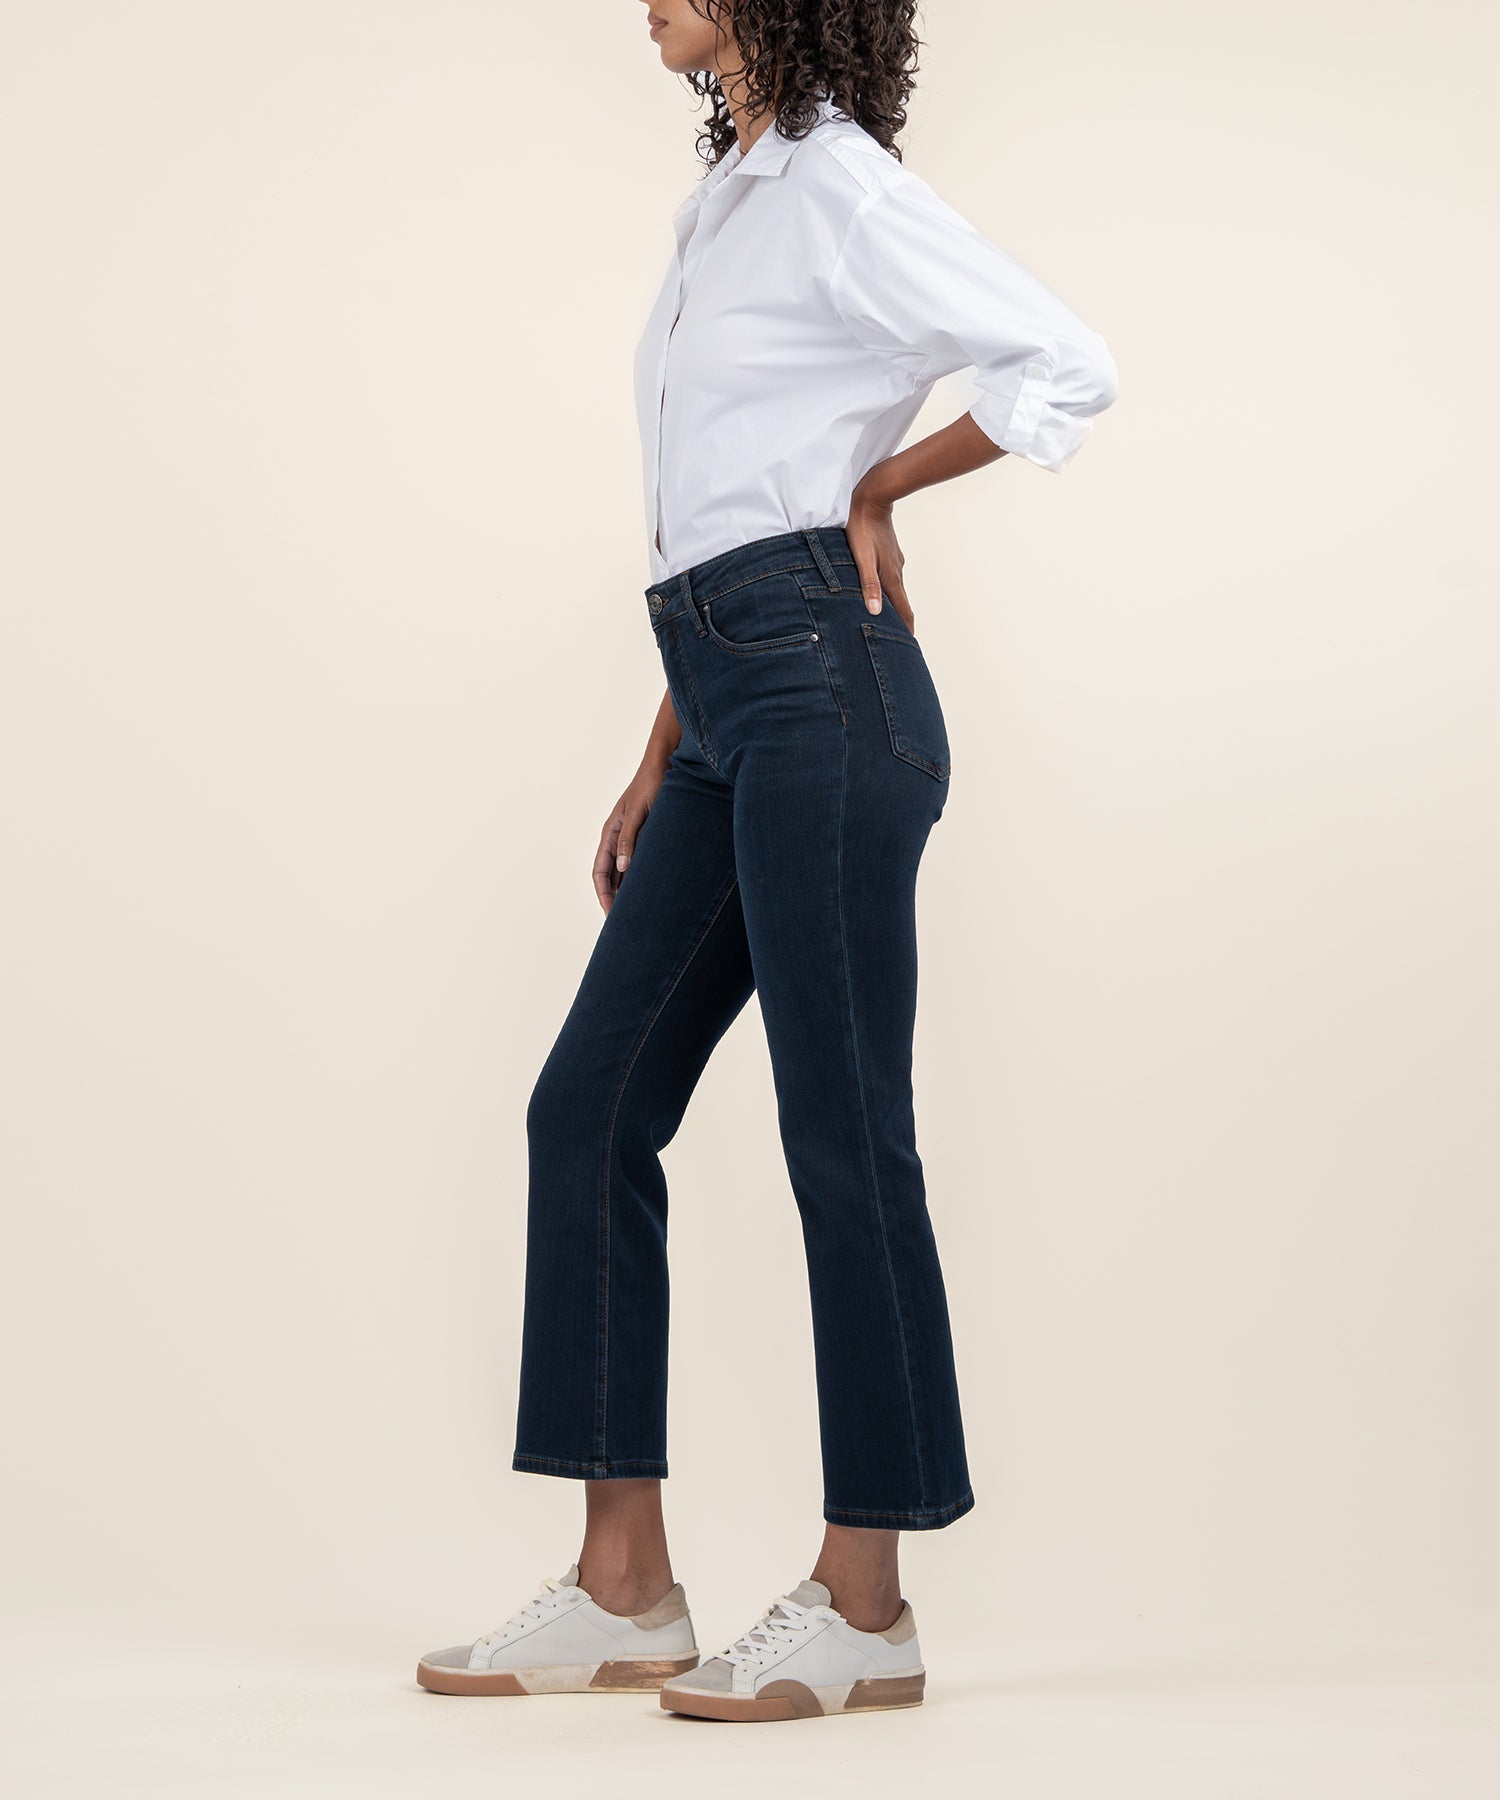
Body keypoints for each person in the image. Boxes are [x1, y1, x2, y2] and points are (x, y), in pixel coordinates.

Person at [417, 0, 1116, 1722]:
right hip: (730, 697)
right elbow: (725, 495)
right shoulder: (724, 207)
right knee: (588, 1111)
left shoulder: (838, 187)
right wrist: (664, 746)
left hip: (828, 693)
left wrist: (883, 486)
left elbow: (1062, 363)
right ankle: (624, 1589)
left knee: (840, 1132)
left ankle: (866, 1603)